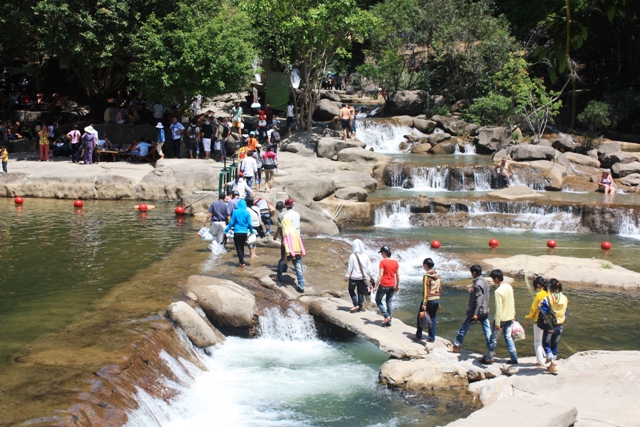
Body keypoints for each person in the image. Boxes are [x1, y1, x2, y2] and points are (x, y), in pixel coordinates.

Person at [448, 265, 492, 362]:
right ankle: (491, 350)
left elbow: (479, 299)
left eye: (471, 272)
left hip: (476, 311)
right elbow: (482, 293)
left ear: (474, 273)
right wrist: (473, 291)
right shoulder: (484, 281)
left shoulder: (477, 283)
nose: (471, 274)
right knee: (487, 331)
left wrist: (475, 313)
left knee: (464, 328)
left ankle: (457, 346)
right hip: (485, 310)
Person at [487, 269, 518, 364]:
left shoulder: (498, 291)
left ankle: (489, 357)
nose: (493, 281)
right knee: (508, 338)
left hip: (501, 319)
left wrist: (497, 323)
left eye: (493, 279)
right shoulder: (509, 287)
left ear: (496, 279)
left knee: (494, 339)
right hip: (510, 317)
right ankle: (514, 358)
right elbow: (512, 301)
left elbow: (499, 308)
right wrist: (513, 314)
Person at [274, 198, 305, 292]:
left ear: (285, 206)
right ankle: (301, 285)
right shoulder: (297, 214)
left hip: (288, 240)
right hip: (297, 240)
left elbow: (285, 230)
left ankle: (279, 277)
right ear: (293, 205)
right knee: (298, 264)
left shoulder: (285, 217)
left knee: (283, 260)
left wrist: (282, 240)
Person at [541, 279, 568, 374]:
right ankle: (552, 366)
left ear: (550, 288)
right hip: (560, 325)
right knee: (555, 343)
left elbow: (544, 312)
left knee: (545, 344)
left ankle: (552, 360)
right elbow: (566, 312)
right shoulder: (564, 298)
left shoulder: (548, 298)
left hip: (550, 325)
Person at [344, 239, 376, 313]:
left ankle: (355, 304)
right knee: (360, 292)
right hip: (362, 278)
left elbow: (350, 268)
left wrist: (346, 277)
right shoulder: (366, 256)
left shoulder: (352, 256)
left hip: (353, 278)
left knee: (351, 290)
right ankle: (360, 308)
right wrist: (371, 276)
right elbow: (368, 269)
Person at [524, 276, 550, 367]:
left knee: (537, 341)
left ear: (538, 285)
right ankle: (547, 356)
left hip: (539, 321)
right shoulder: (549, 293)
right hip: (550, 321)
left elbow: (533, 308)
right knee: (545, 341)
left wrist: (528, 317)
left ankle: (540, 361)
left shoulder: (539, 295)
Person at [415, 258, 441, 342]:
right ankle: (431, 337)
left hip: (429, 299)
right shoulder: (437, 274)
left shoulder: (426, 276)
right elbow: (440, 287)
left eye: (423, 265)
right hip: (437, 298)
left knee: (421, 316)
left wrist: (424, 303)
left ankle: (418, 335)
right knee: (433, 317)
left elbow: (426, 289)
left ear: (425, 265)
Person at [374, 245, 400, 326]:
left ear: (385, 253)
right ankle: (389, 321)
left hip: (384, 285)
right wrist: (397, 285)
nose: (381, 254)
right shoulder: (395, 262)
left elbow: (380, 275)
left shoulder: (383, 262)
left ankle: (386, 316)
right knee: (389, 301)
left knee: (378, 300)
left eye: (381, 252)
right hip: (392, 285)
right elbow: (398, 275)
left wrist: (375, 286)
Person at [224, 199, 254, 268]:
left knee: (238, 247)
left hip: (237, 232)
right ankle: (242, 260)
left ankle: (241, 262)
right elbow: (249, 224)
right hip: (244, 232)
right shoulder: (247, 212)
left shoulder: (235, 212)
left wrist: (226, 231)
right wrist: (251, 231)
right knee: (242, 246)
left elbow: (231, 223)